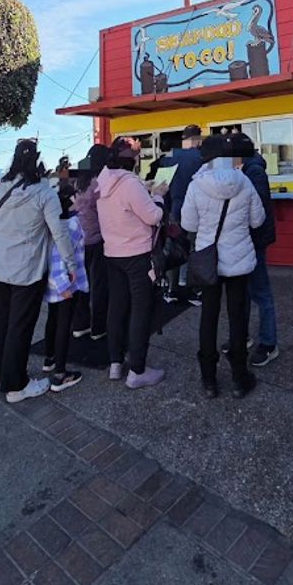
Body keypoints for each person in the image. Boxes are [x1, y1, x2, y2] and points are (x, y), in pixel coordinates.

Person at [0, 138, 74, 403]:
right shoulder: (45, 193)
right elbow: (59, 233)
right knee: (20, 327)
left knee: (0, 322)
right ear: (36, 161)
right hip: (27, 269)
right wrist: (71, 265)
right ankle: (16, 385)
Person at [180, 133, 265, 399]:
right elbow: (257, 220)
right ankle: (240, 377)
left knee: (209, 316)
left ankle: (209, 380)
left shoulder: (196, 186)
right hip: (239, 261)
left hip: (209, 261)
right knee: (238, 317)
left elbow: (188, 225)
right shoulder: (245, 181)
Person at [96, 136, 167, 388]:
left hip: (112, 253)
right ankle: (137, 370)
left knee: (117, 306)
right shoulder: (129, 184)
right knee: (140, 309)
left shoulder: (103, 180)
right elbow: (153, 216)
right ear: (132, 160)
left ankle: (116, 362)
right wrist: (158, 195)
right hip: (136, 254)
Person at [229, 131, 278, 367]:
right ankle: (243, 337)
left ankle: (269, 343)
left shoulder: (254, 172)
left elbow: (255, 209)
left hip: (255, 240)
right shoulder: (245, 170)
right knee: (244, 293)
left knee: (260, 292)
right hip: (244, 240)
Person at [42, 180, 88, 391]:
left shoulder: (52, 222)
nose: (80, 199)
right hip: (66, 281)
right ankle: (60, 373)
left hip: (50, 281)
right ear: (71, 200)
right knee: (63, 324)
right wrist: (65, 284)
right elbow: (63, 255)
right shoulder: (72, 224)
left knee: (52, 319)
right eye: (77, 195)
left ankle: (49, 358)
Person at [159, 125, 204, 307]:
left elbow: (162, 188)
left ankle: (171, 289)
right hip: (196, 211)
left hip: (175, 211)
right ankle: (194, 291)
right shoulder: (201, 158)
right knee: (194, 250)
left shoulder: (168, 159)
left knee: (174, 249)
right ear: (197, 139)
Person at [71, 144, 110, 343]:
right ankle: (99, 327)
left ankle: (80, 324)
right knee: (99, 284)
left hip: (79, 240)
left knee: (81, 284)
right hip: (97, 239)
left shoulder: (79, 182)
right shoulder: (98, 184)